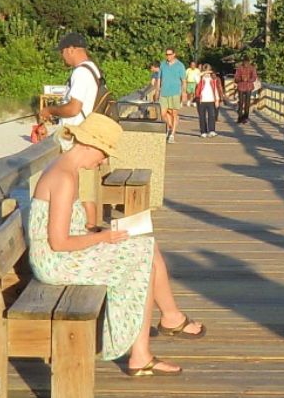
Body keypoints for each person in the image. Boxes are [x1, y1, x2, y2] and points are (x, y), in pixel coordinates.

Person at [26, 113, 206, 377]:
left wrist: (99, 230)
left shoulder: (66, 168)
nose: (104, 160)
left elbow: (64, 229)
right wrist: (103, 238)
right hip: (55, 262)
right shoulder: (64, 178)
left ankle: (168, 320)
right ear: (88, 145)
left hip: (62, 252)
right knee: (141, 257)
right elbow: (59, 242)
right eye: (104, 152)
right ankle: (142, 353)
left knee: (143, 237)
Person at [40, 33, 105, 148]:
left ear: (70, 50)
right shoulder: (93, 69)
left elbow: (73, 109)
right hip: (86, 137)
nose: (62, 56)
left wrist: (49, 110)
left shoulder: (80, 72)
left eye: (62, 52)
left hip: (75, 142)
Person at [154, 49, 186, 143]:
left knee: (173, 113)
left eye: (170, 54)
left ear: (174, 54)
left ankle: (172, 134)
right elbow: (159, 79)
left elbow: (183, 80)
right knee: (163, 113)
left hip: (175, 92)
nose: (168, 56)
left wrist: (184, 93)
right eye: (166, 54)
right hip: (164, 92)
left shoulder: (180, 65)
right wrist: (157, 91)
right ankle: (170, 127)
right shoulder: (163, 64)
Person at [193, 64, 223, 137]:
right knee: (202, 117)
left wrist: (217, 99)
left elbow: (215, 89)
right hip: (201, 100)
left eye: (209, 70)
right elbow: (195, 77)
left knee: (212, 116)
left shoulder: (212, 79)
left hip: (211, 100)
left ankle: (212, 130)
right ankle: (203, 132)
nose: (207, 73)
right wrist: (203, 73)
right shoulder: (200, 79)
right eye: (206, 70)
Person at [233, 57, 260, 124]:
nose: (246, 64)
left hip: (248, 87)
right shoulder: (239, 68)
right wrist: (241, 79)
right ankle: (240, 117)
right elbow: (236, 77)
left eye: (247, 62)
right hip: (241, 86)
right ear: (243, 62)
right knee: (241, 102)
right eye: (244, 62)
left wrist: (248, 80)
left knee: (247, 103)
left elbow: (254, 77)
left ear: (249, 62)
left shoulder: (252, 68)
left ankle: (245, 117)